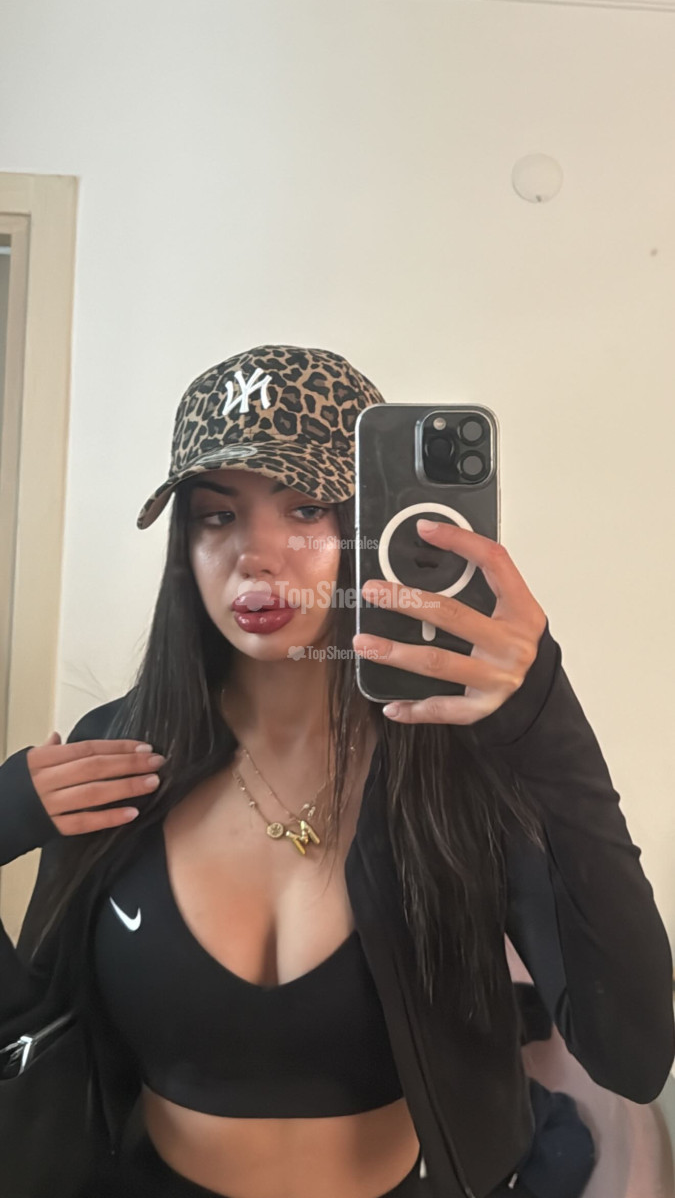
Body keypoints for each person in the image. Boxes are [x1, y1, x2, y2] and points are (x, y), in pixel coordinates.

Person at [1, 344, 673, 1198]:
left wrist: (543, 717)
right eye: (216, 515)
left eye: (307, 508)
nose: (255, 554)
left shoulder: (455, 764)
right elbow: (34, 1038)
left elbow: (633, 1052)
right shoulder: (117, 753)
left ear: (368, 528)